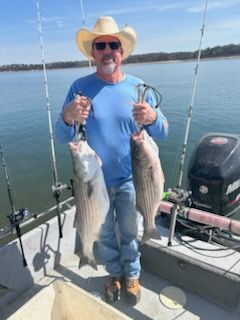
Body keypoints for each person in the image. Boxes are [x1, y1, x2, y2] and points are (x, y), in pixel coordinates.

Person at [55, 16, 168, 305]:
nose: (107, 50)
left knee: (131, 233)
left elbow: (163, 131)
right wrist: (68, 116)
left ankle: (132, 274)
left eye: (113, 45)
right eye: (100, 45)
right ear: (92, 52)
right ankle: (113, 273)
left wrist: (153, 117)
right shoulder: (79, 87)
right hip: (95, 183)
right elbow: (61, 134)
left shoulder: (138, 86)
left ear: (121, 51)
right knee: (104, 235)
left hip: (134, 180)